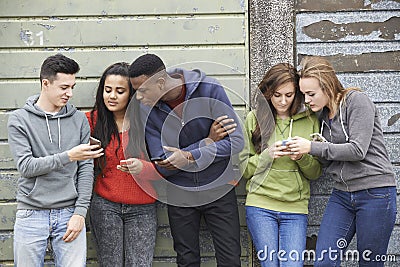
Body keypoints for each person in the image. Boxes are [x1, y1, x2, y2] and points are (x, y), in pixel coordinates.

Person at [128, 53, 244, 267]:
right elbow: (162, 162)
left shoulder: (209, 88)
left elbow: (236, 142)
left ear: (161, 82)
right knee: (186, 261)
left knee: (230, 260)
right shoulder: (147, 109)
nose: (138, 97)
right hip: (179, 193)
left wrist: (188, 156)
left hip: (219, 187)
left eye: (142, 90)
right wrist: (208, 142)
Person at [289, 56, 397, 266]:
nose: (307, 100)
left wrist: (311, 147)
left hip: (375, 193)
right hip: (342, 195)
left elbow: (357, 150)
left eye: (311, 94)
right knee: (324, 261)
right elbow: (329, 161)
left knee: (370, 262)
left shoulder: (356, 101)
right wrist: (302, 154)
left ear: (328, 86)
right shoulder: (322, 118)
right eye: (304, 95)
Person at [7, 53, 103, 266]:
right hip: (31, 213)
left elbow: (86, 169)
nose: (69, 93)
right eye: (63, 87)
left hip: (70, 213)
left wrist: (80, 213)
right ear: (45, 83)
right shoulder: (19, 120)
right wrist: (69, 156)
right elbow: (26, 167)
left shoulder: (78, 119)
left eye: (72, 87)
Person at [239, 63, 322, 267]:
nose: (283, 101)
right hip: (260, 205)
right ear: (268, 93)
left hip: (295, 208)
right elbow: (242, 170)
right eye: (277, 95)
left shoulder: (310, 120)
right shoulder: (254, 118)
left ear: (297, 93)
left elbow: (316, 173)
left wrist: (302, 157)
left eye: (289, 94)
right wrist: (266, 155)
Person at [86, 62, 164, 266]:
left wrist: (143, 168)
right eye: (107, 90)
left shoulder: (148, 122)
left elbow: (167, 166)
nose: (112, 96)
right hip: (105, 205)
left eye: (120, 91)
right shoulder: (91, 121)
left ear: (131, 94)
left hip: (143, 207)